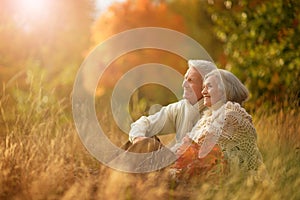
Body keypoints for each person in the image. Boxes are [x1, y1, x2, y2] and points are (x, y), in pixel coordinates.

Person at [171, 69, 268, 184]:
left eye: (209, 87)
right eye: (203, 87)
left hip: (216, 181)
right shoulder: (206, 119)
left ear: (224, 91)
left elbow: (207, 153)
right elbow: (186, 148)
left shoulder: (232, 115)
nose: (203, 92)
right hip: (196, 175)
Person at [124, 60, 217, 153]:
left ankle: (119, 165)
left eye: (190, 80)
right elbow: (145, 123)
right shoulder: (180, 108)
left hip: (189, 163)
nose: (184, 84)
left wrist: (163, 154)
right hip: (174, 159)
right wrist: (138, 138)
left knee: (147, 145)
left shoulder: (218, 113)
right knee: (142, 141)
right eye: (185, 78)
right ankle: (116, 165)